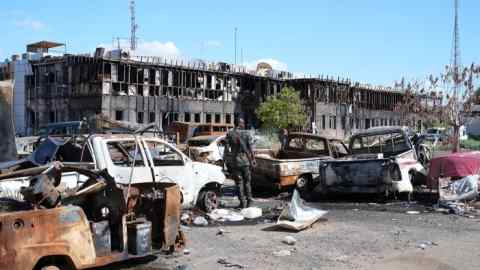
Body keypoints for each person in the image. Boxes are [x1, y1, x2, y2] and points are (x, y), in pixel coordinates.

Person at [224, 118, 255, 208]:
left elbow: (226, 150)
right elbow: (250, 149)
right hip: (245, 162)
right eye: (243, 122)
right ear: (240, 124)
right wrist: (253, 160)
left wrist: (225, 161)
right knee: (247, 183)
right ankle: (249, 201)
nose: (244, 124)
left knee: (239, 183)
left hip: (236, 162)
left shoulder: (230, 134)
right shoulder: (246, 133)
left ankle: (242, 203)